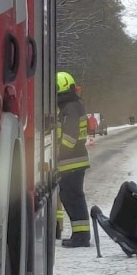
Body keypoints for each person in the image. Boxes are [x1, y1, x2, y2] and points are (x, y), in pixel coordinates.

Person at [55, 71, 91, 247]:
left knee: (73, 197)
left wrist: (58, 155)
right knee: (71, 196)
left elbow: (69, 137)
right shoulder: (73, 105)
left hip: (72, 161)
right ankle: (80, 234)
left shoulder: (70, 108)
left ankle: (81, 236)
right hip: (74, 161)